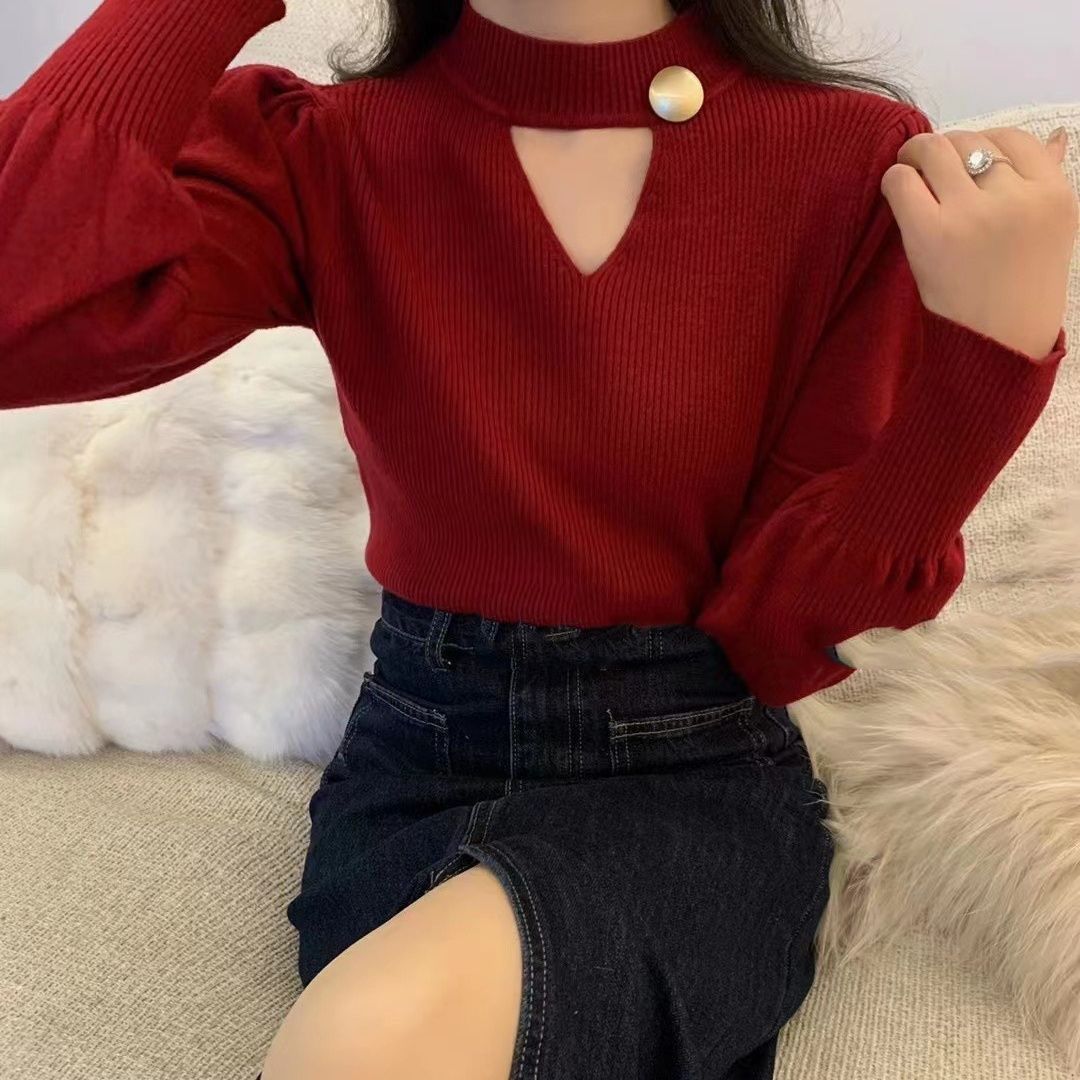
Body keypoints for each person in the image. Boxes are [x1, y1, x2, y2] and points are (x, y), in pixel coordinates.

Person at [0, 0, 1075, 1076]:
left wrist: (989, 363)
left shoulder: (843, 160)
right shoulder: (328, 149)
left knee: (368, 1043)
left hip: (691, 768)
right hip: (416, 759)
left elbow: (788, 633)